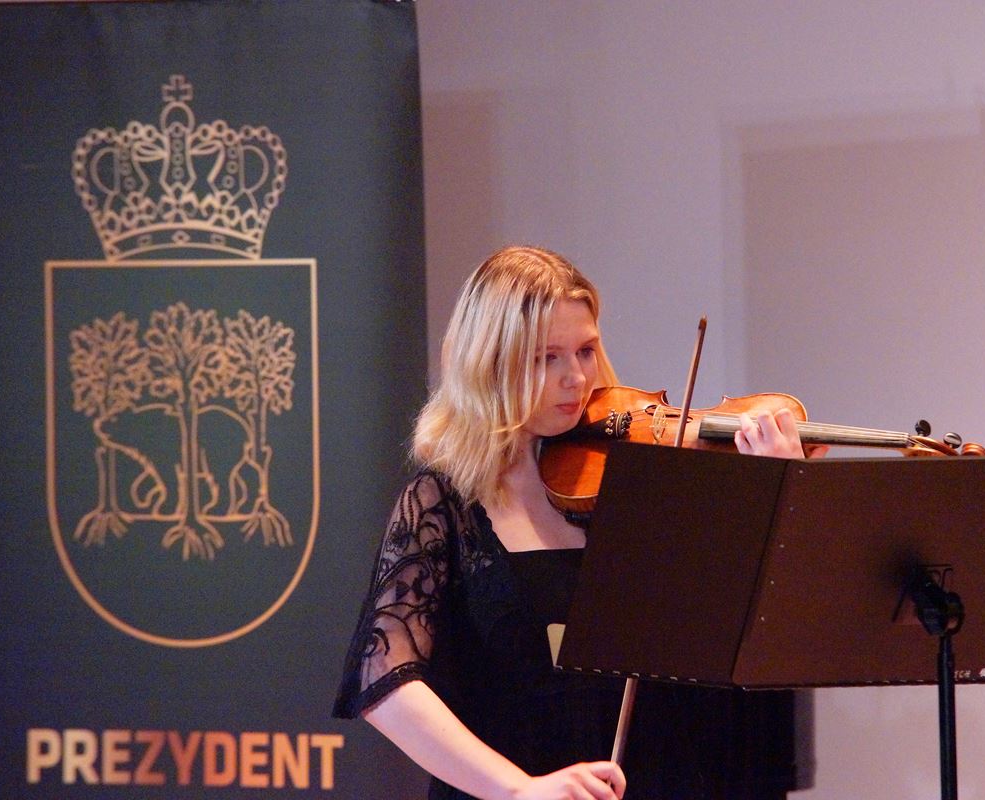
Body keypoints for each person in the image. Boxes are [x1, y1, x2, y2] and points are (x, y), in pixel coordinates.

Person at [332, 245, 817, 800]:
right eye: (547, 358)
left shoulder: (632, 484)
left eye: (586, 351)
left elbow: (739, 624)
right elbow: (385, 681)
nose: (577, 377)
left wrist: (777, 494)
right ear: (489, 364)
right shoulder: (441, 505)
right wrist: (518, 789)